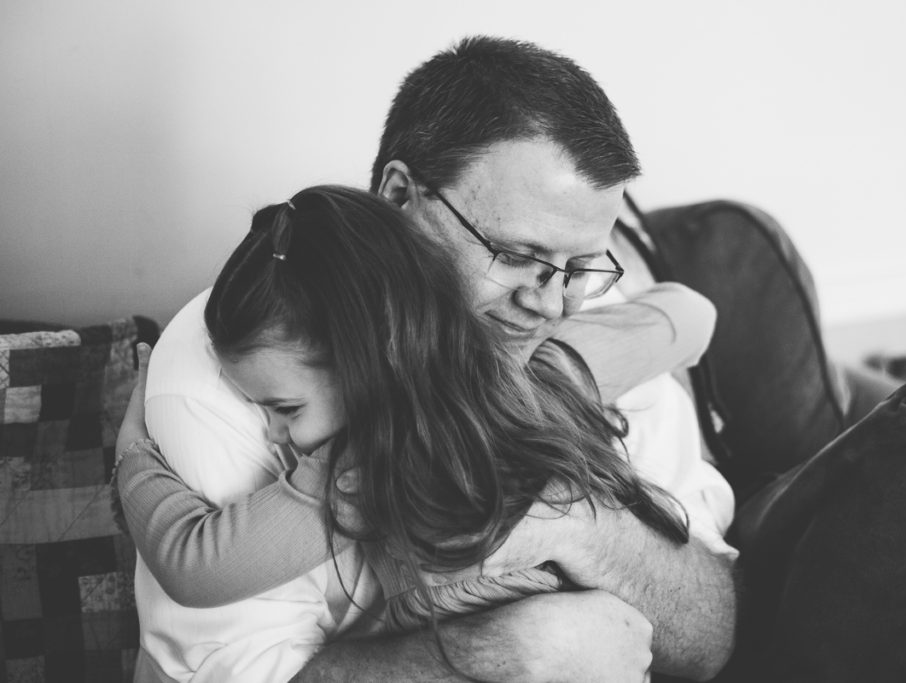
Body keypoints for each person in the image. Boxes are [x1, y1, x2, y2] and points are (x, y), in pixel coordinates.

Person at [118, 36, 739, 682]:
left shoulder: (554, 351)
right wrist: (518, 650)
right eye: (518, 254)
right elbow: (211, 592)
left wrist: (576, 524)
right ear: (398, 195)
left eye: (581, 267)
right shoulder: (249, 364)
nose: (553, 301)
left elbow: (710, 635)